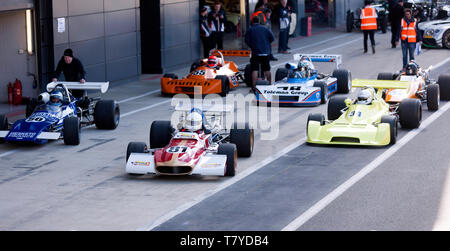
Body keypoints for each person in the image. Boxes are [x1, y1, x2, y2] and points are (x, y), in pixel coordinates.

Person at [245, 15, 275, 92]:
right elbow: (272, 38)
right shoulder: (265, 28)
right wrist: (266, 44)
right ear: (259, 21)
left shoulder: (250, 29)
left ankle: (254, 87)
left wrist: (252, 46)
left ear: (252, 22)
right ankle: (269, 85)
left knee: (254, 69)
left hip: (256, 52)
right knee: (267, 69)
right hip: (265, 52)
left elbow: (247, 40)